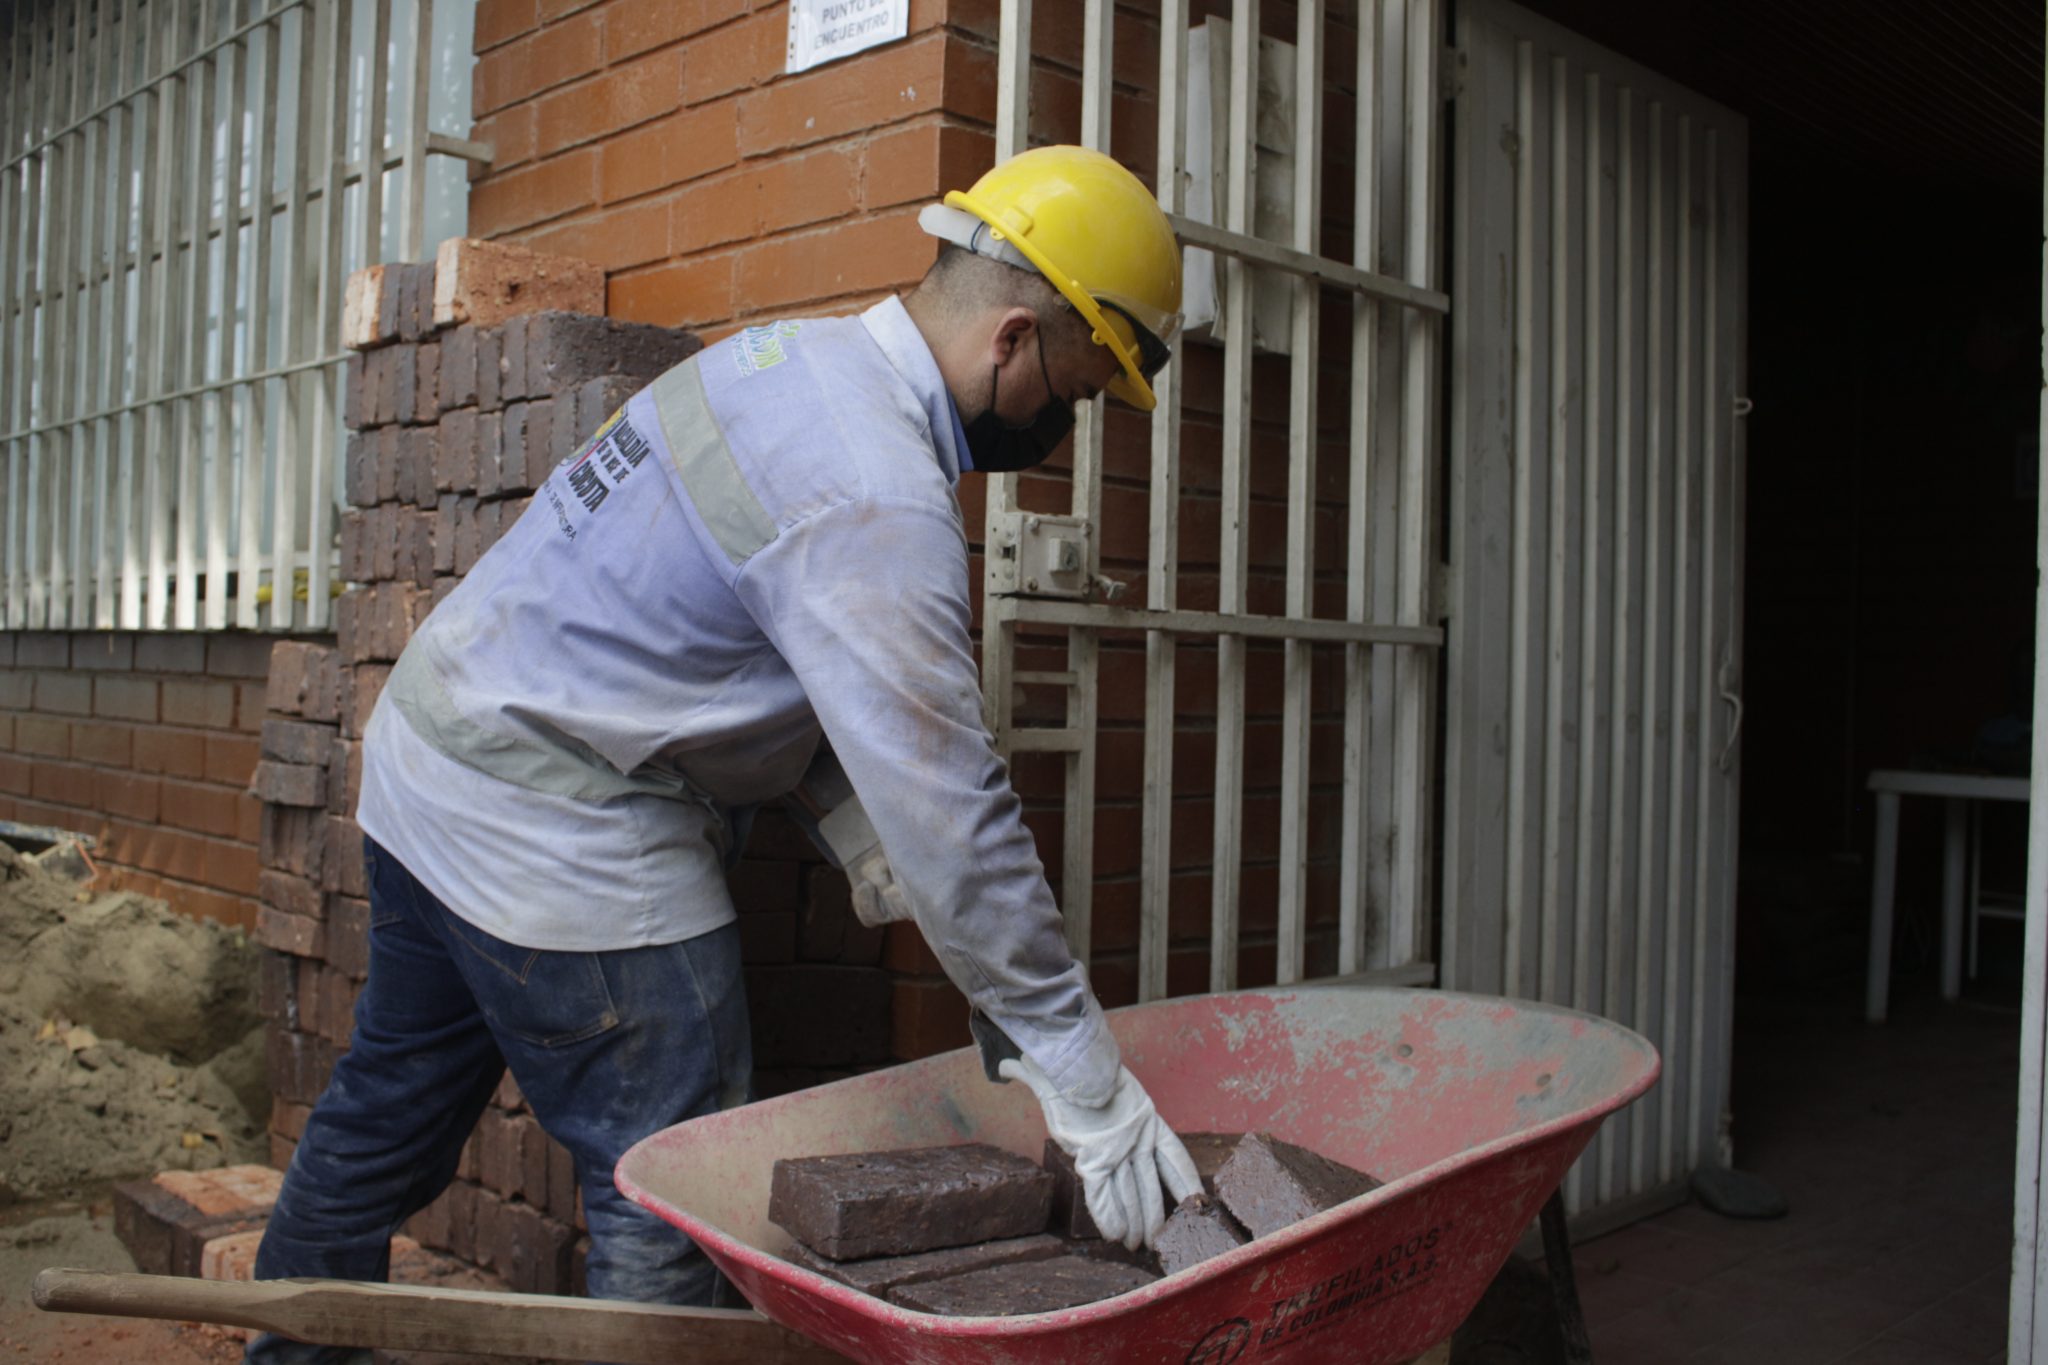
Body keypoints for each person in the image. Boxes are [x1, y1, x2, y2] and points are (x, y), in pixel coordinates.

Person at [245, 145, 1199, 1363]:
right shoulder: (873, 488)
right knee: (670, 1192)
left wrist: (852, 825)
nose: (1064, 424)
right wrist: (1076, 1063)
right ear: (1012, 340)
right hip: (559, 826)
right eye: (1075, 387)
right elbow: (952, 811)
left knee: (384, 1113)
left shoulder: (782, 360)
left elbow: (718, 637)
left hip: (432, 763)